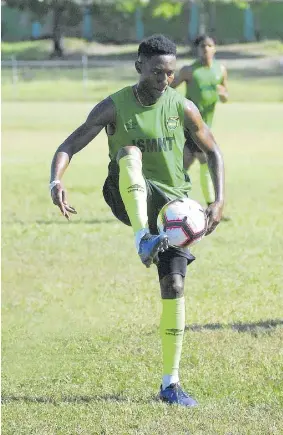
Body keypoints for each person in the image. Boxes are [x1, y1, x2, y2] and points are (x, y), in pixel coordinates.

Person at [50, 34, 225, 407]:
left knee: (174, 285)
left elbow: (213, 151)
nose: (164, 80)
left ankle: (170, 384)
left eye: (170, 73)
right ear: (139, 67)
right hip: (124, 194)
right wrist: (56, 180)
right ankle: (142, 237)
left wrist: (219, 200)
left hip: (173, 209)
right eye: (157, 72)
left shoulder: (182, 106)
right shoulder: (114, 106)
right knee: (129, 151)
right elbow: (69, 144)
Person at [171, 35, 229, 218]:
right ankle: (212, 206)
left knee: (187, 164)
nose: (205, 49)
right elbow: (170, 87)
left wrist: (223, 95)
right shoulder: (189, 70)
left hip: (206, 126)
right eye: (202, 46)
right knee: (204, 159)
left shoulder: (220, 70)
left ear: (215, 48)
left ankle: (169, 201)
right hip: (190, 125)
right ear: (197, 49)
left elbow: (225, 94)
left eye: (209, 45)